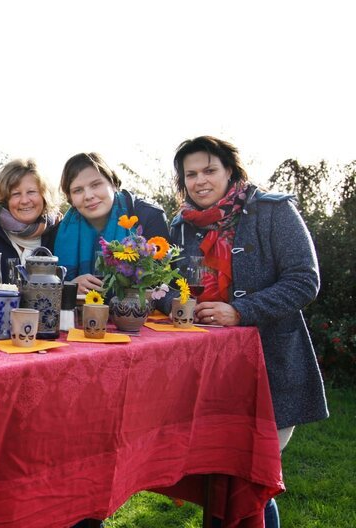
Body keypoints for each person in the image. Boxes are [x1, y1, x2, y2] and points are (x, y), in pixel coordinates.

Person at [166, 135, 329, 528]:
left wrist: (240, 310)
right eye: (191, 174)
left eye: (209, 170)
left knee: (251, 475)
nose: (200, 180)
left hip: (269, 366)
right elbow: (169, 287)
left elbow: (304, 281)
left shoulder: (274, 211)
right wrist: (167, 300)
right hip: (204, 371)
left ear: (230, 171)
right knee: (216, 478)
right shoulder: (181, 228)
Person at [42, 152, 169, 294]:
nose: (89, 196)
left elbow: (163, 284)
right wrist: (69, 287)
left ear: (113, 184)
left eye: (96, 185)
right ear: (70, 198)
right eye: (78, 190)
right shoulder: (56, 235)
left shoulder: (148, 216)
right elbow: (44, 288)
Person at [0, 159, 60, 290]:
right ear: (3, 200)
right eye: (15, 194)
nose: (25, 200)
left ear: (44, 196)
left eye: (31, 192)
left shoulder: (57, 235)